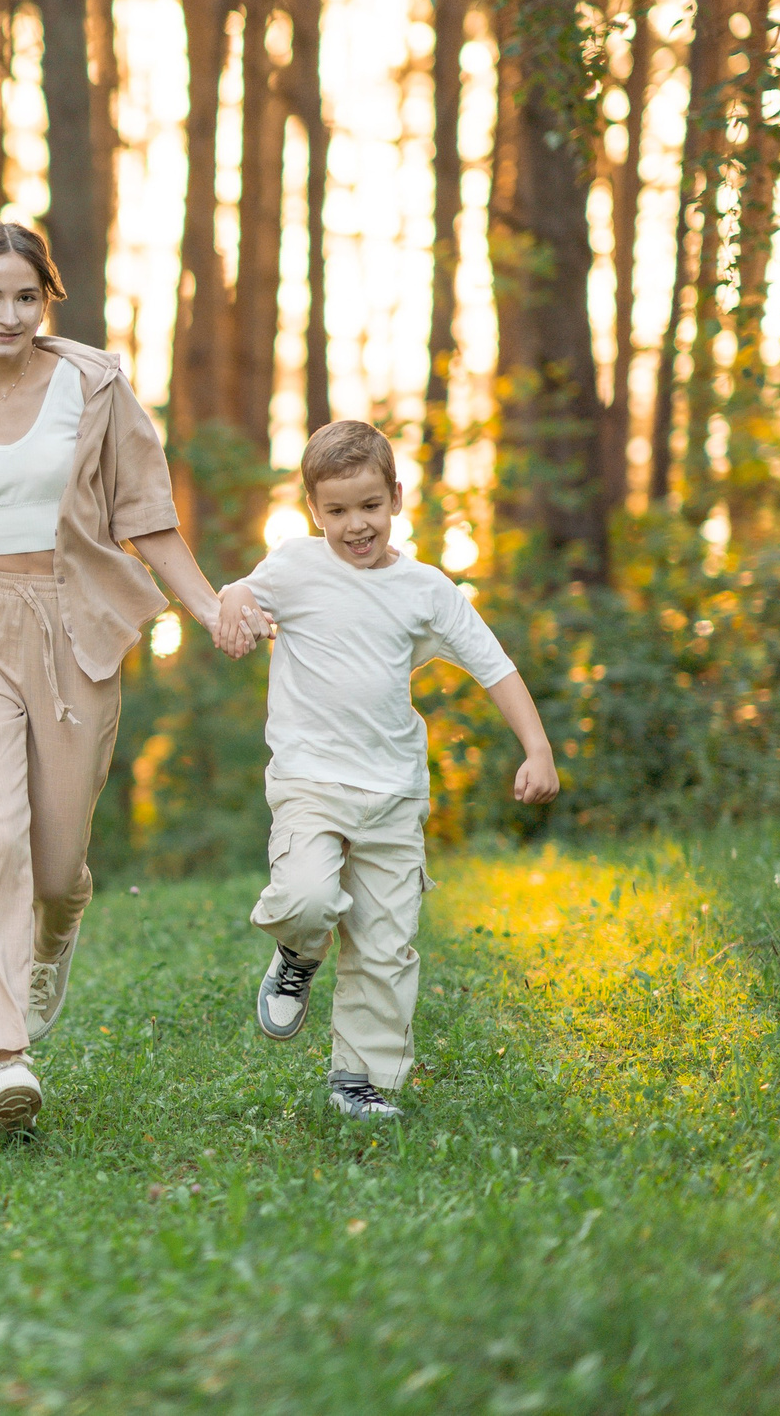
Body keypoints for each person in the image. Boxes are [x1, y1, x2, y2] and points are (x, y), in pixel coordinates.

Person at [0, 219, 225, 1136]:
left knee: (56, 867)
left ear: (45, 300)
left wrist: (210, 609)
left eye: (25, 296)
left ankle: (51, 940)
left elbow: (149, 517)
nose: (9, 314)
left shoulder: (95, 387)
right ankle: (2, 1055)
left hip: (75, 624)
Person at [216, 418, 559, 1121]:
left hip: (394, 794)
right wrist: (231, 605)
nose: (355, 525)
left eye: (369, 505)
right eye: (336, 510)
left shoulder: (425, 589)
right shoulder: (295, 566)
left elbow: (493, 666)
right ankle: (298, 955)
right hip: (310, 783)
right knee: (308, 896)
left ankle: (358, 1080)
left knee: (385, 945)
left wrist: (538, 747)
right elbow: (239, 593)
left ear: (396, 497)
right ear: (313, 511)